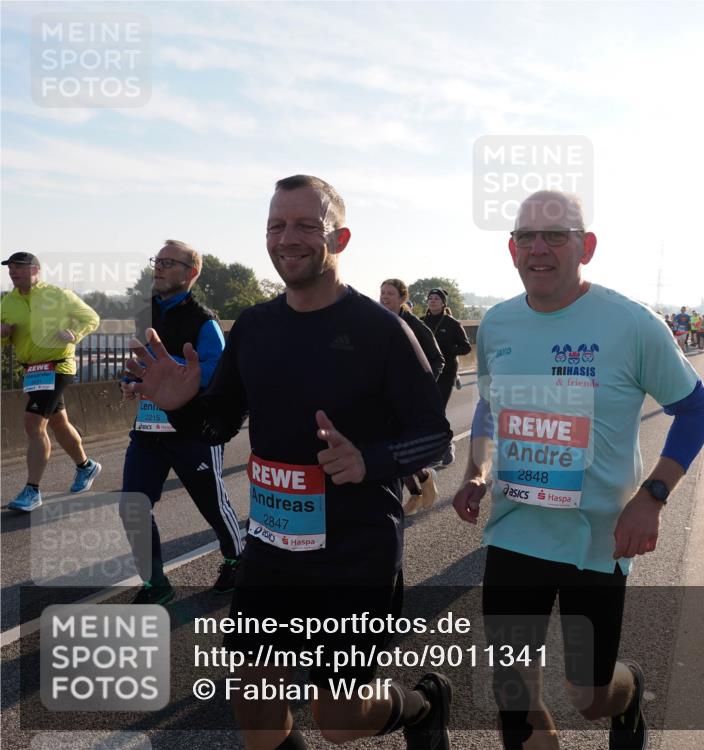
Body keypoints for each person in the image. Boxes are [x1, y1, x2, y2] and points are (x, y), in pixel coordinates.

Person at [125, 175, 454, 750]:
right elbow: (219, 425)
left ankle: (424, 707)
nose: (287, 238)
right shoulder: (254, 326)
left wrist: (370, 460)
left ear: (340, 238)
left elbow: (434, 436)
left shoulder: (382, 331)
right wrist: (180, 407)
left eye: (305, 225)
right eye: (276, 225)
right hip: (273, 550)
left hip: (355, 554)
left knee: (340, 721)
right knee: (253, 705)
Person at [451, 191, 704, 750]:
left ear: (586, 247)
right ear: (511, 249)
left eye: (556, 236)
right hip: (515, 535)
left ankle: (629, 692)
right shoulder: (496, 324)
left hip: (599, 541)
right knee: (513, 698)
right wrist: (477, 470)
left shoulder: (632, 324)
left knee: (589, 697)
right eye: (527, 237)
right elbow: (491, 406)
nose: (539, 249)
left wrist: (653, 496)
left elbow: (695, 408)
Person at [119, 240, 243, 605]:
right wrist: (128, 383)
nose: (158, 266)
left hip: (192, 431)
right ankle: (156, 582)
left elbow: (219, 372)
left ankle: (236, 557)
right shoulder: (145, 315)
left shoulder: (204, 322)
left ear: (191, 273)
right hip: (148, 431)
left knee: (212, 504)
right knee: (132, 506)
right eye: (157, 260)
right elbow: (136, 365)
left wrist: (173, 372)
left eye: (168, 262)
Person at [1, 252, 102, 511]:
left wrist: (74, 334)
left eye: (19, 267)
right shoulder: (7, 302)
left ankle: (32, 491)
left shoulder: (59, 295)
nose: (13, 272)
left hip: (58, 366)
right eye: (10, 268)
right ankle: (86, 466)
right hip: (32, 371)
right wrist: (3, 334)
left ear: (35, 269)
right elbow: (4, 339)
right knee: (58, 422)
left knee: (33, 424)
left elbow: (91, 318)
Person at [380, 277, 444, 514]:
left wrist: (423, 387)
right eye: (382, 292)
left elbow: (438, 359)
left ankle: (424, 479)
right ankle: (418, 491)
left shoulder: (414, 325)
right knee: (390, 446)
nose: (385, 297)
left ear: (403, 298)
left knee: (400, 446)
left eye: (390, 293)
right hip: (384, 393)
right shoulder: (377, 320)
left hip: (408, 394)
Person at [422, 288, 471, 467]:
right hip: (427, 371)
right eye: (430, 298)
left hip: (447, 370)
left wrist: (448, 350)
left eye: (436, 299)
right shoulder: (422, 321)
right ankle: (436, 446)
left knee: (438, 408)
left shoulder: (452, 323)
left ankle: (445, 445)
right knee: (428, 410)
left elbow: (465, 347)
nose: (433, 301)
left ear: (443, 303)